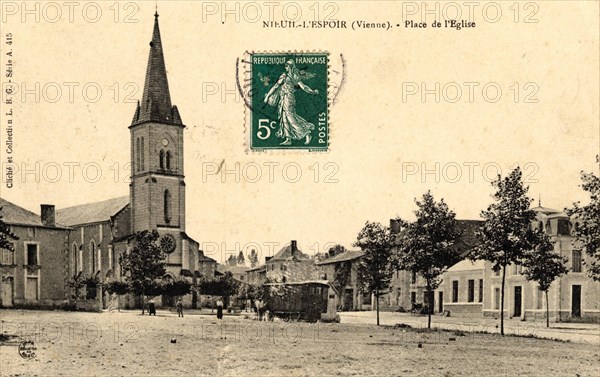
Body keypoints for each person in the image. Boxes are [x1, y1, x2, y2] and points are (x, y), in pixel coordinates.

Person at [264, 59, 319, 146]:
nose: (286, 67)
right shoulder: (288, 76)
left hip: (289, 99)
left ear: (290, 67)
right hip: (283, 98)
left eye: (287, 66)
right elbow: (276, 86)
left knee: (290, 117)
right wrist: (267, 96)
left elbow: (303, 87)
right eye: (285, 66)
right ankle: (288, 138)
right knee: (284, 117)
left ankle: (306, 133)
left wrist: (312, 92)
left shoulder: (291, 76)